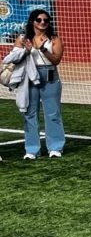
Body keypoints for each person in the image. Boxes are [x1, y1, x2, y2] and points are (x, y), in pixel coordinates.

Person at [17, 9, 66, 160]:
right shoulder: (23, 38)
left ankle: (56, 147)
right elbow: (15, 58)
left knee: (53, 113)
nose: (43, 22)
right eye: (39, 20)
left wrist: (43, 49)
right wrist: (26, 51)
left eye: (46, 20)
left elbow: (56, 60)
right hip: (30, 76)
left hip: (49, 75)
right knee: (30, 113)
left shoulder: (54, 39)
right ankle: (32, 150)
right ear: (33, 22)